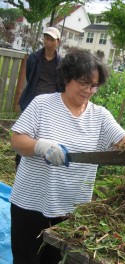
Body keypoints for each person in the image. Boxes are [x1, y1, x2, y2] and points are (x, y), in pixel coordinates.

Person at [9, 47, 125, 264]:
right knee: (27, 255)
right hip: (32, 199)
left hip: (71, 204)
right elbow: (16, 140)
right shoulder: (43, 104)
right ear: (67, 78)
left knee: (54, 254)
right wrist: (40, 146)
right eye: (84, 83)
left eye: (94, 85)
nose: (88, 90)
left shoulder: (99, 116)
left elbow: (123, 139)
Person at [15, 26, 62, 169]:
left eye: (51, 39)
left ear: (57, 42)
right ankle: (19, 161)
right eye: (46, 38)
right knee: (26, 132)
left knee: (45, 132)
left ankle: (39, 162)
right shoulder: (34, 58)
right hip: (33, 100)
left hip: (52, 103)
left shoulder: (61, 62)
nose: (48, 42)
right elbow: (30, 77)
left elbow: (60, 83)